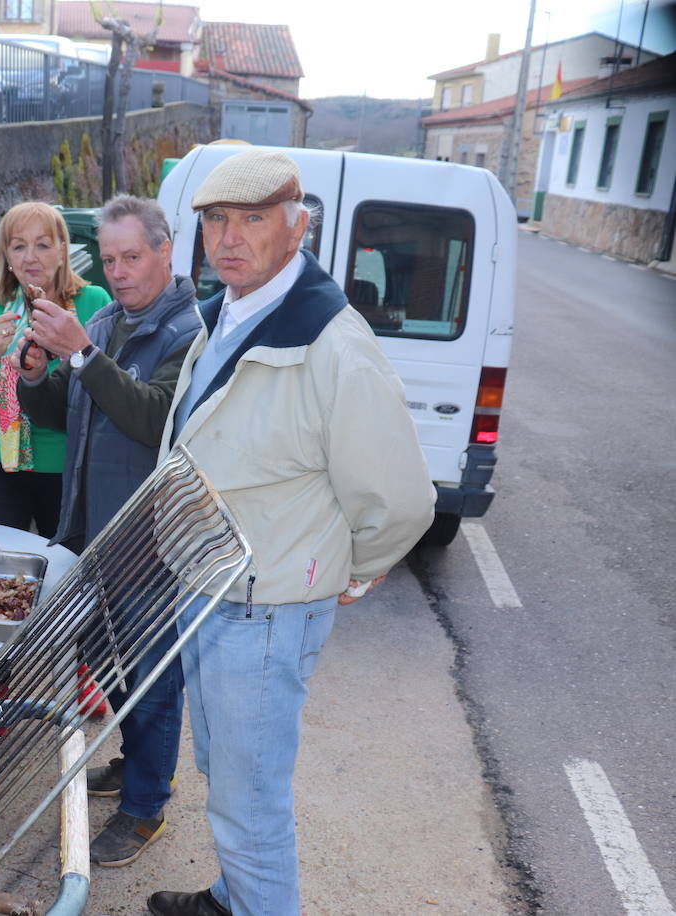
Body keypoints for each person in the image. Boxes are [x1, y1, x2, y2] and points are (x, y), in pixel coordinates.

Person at [146, 149, 435, 916]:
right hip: (210, 590)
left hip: (263, 608)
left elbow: (402, 499)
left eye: (253, 219)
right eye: (216, 220)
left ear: (296, 227)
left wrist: (351, 569)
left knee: (252, 806)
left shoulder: (334, 345)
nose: (230, 238)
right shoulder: (231, 312)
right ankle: (231, 897)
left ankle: (255, 897)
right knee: (226, 772)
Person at [16, 194, 201, 868]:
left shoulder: (190, 333)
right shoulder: (101, 319)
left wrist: (84, 354)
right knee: (104, 660)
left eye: (132, 257)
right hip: (91, 533)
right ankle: (135, 763)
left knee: (152, 677)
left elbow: (157, 421)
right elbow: (70, 414)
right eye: (112, 258)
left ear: (164, 252)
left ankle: (146, 806)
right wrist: (38, 374)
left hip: (151, 542)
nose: (119, 272)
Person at [0, 202, 110, 538]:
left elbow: (107, 387)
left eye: (42, 244)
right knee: (3, 571)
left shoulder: (94, 302)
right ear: (7, 257)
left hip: (69, 464)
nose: (30, 257)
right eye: (19, 246)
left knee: (69, 569)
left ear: (62, 251)